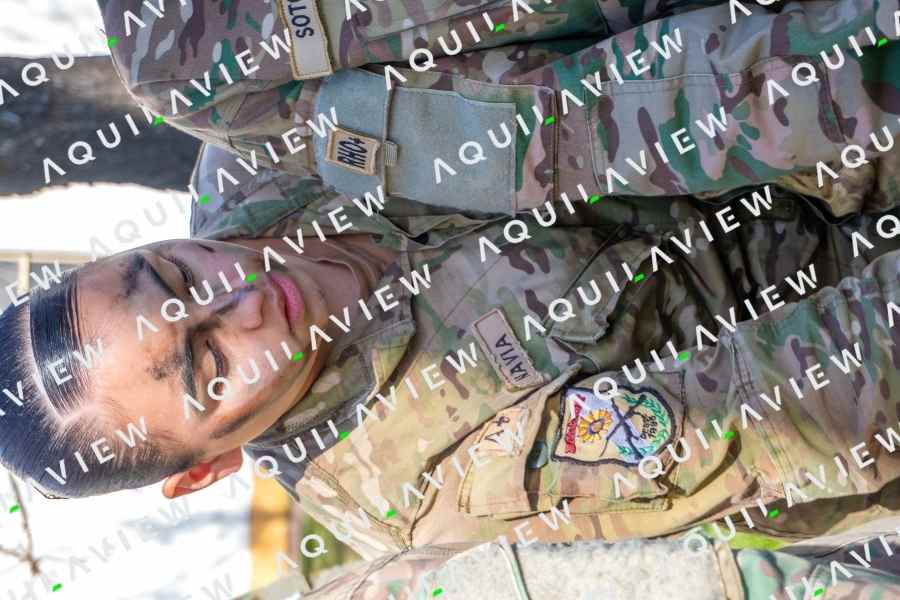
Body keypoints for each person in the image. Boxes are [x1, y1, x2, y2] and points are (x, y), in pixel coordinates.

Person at [3, 0, 900, 597]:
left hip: (814, 76)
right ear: (209, 468)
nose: (243, 296)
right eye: (208, 366)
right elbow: (832, 395)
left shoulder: (258, 141)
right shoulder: (429, 480)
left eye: (175, 277)